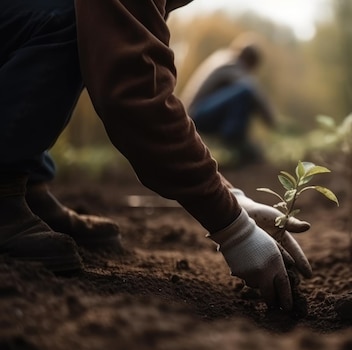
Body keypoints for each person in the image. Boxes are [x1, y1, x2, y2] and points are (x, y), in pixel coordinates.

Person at [0, 0, 310, 311]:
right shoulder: (232, 67)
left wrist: (234, 197)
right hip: (200, 113)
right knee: (74, 18)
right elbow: (134, 90)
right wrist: (234, 228)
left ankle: (28, 187)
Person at [181, 33, 276, 166]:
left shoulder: (223, 57)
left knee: (242, 96)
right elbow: (253, 91)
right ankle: (236, 143)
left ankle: (235, 142)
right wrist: (273, 122)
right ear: (250, 61)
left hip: (196, 113)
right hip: (196, 114)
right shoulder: (231, 64)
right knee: (245, 92)